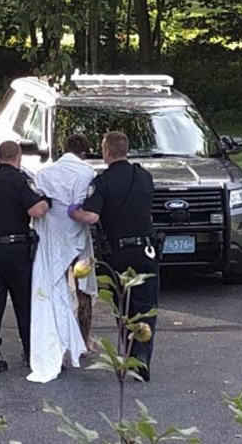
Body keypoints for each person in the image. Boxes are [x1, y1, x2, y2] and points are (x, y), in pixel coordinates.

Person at [69, 131, 158, 382]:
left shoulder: (103, 181)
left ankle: (129, 355)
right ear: (125, 150)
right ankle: (143, 356)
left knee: (123, 306)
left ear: (107, 151)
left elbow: (92, 217)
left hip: (117, 253)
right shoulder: (144, 177)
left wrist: (73, 213)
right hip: (146, 250)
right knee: (146, 306)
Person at [0, 140, 50, 375]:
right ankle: (30, 352)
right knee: (23, 302)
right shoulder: (19, 182)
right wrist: (47, 202)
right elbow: (35, 210)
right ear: (18, 158)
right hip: (15, 251)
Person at [26, 134, 98, 383]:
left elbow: (41, 202)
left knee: (52, 287)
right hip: (76, 236)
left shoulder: (44, 173)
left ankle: (60, 342)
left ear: (62, 150)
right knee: (82, 289)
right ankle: (82, 340)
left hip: (49, 237)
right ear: (85, 153)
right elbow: (85, 204)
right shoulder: (87, 173)